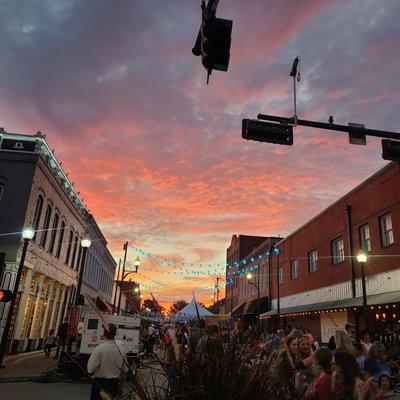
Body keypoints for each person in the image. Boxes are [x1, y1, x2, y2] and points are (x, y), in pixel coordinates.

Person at [87, 323, 128, 400]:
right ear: (115, 334)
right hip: (115, 384)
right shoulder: (121, 349)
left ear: (104, 333)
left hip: (100, 385)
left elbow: (90, 369)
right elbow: (125, 370)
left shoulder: (99, 349)